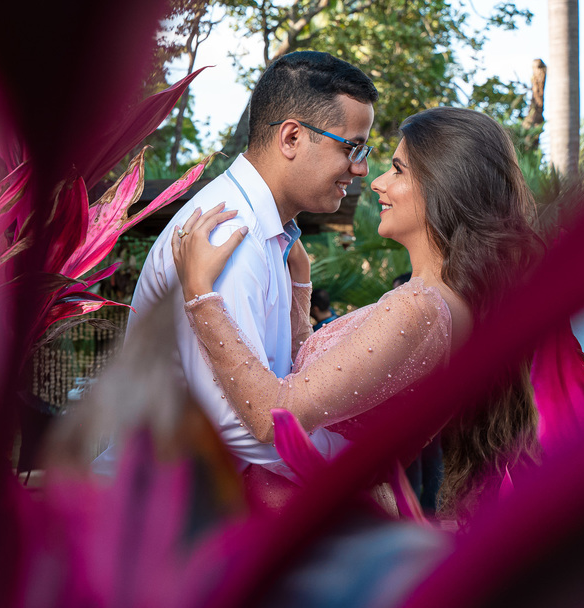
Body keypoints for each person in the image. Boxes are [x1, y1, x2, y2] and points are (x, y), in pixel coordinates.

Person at [171, 106, 539, 515]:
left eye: (398, 170)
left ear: (443, 185)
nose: (377, 181)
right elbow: (318, 382)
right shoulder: (449, 305)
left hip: (306, 514)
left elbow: (276, 419)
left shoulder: (420, 310)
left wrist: (199, 294)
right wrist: (299, 286)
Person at [97, 51, 376, 480]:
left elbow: (269, 386)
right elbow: (240, 424)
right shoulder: (230, 234)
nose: (360, 168)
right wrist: (356, 465)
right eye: (352, 146)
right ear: (291, 139)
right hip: (160, 508)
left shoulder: (266, 233)